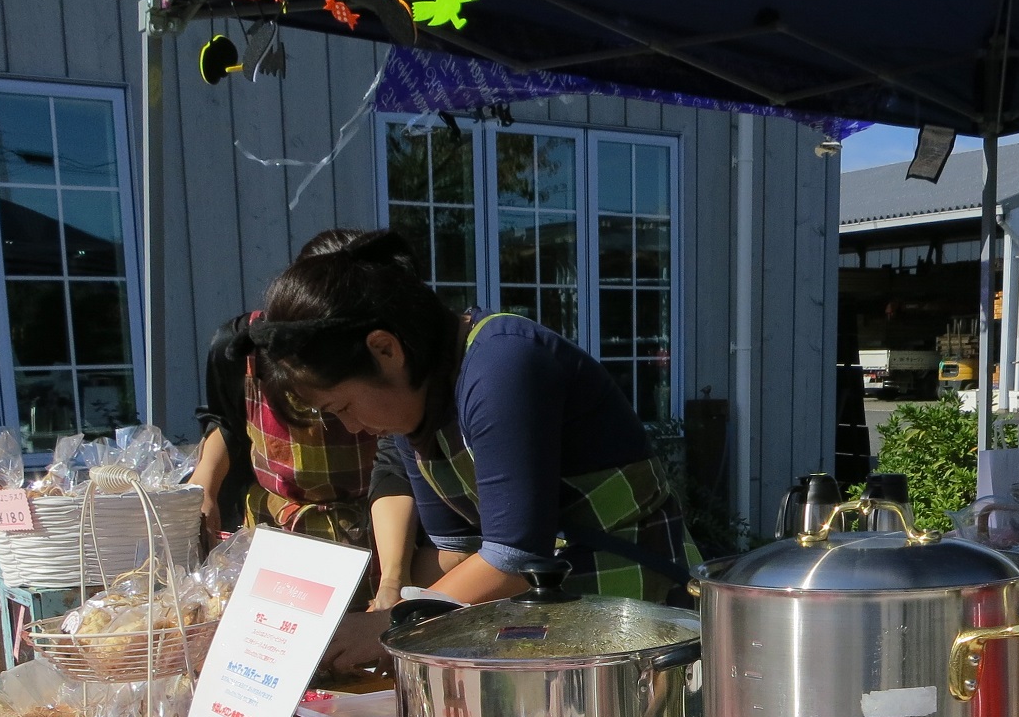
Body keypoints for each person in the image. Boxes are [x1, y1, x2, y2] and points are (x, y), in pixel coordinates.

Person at [235, 229, 698, 642]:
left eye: (342, 407)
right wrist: (356, 605)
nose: (352, 428)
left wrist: (388, 627)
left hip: (638, 617)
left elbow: (511, 559)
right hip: (563, 623)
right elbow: (456, 554)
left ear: (385, 349)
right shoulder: (418, 411)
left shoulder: (502, 365)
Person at [191, 229, 442, 612]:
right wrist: (204, 488)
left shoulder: (390, 374)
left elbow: (396, 465)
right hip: (277, 537)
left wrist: (394, 577)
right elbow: (226, 422)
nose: (353, 423)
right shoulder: (242, 347)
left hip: (380, 531)